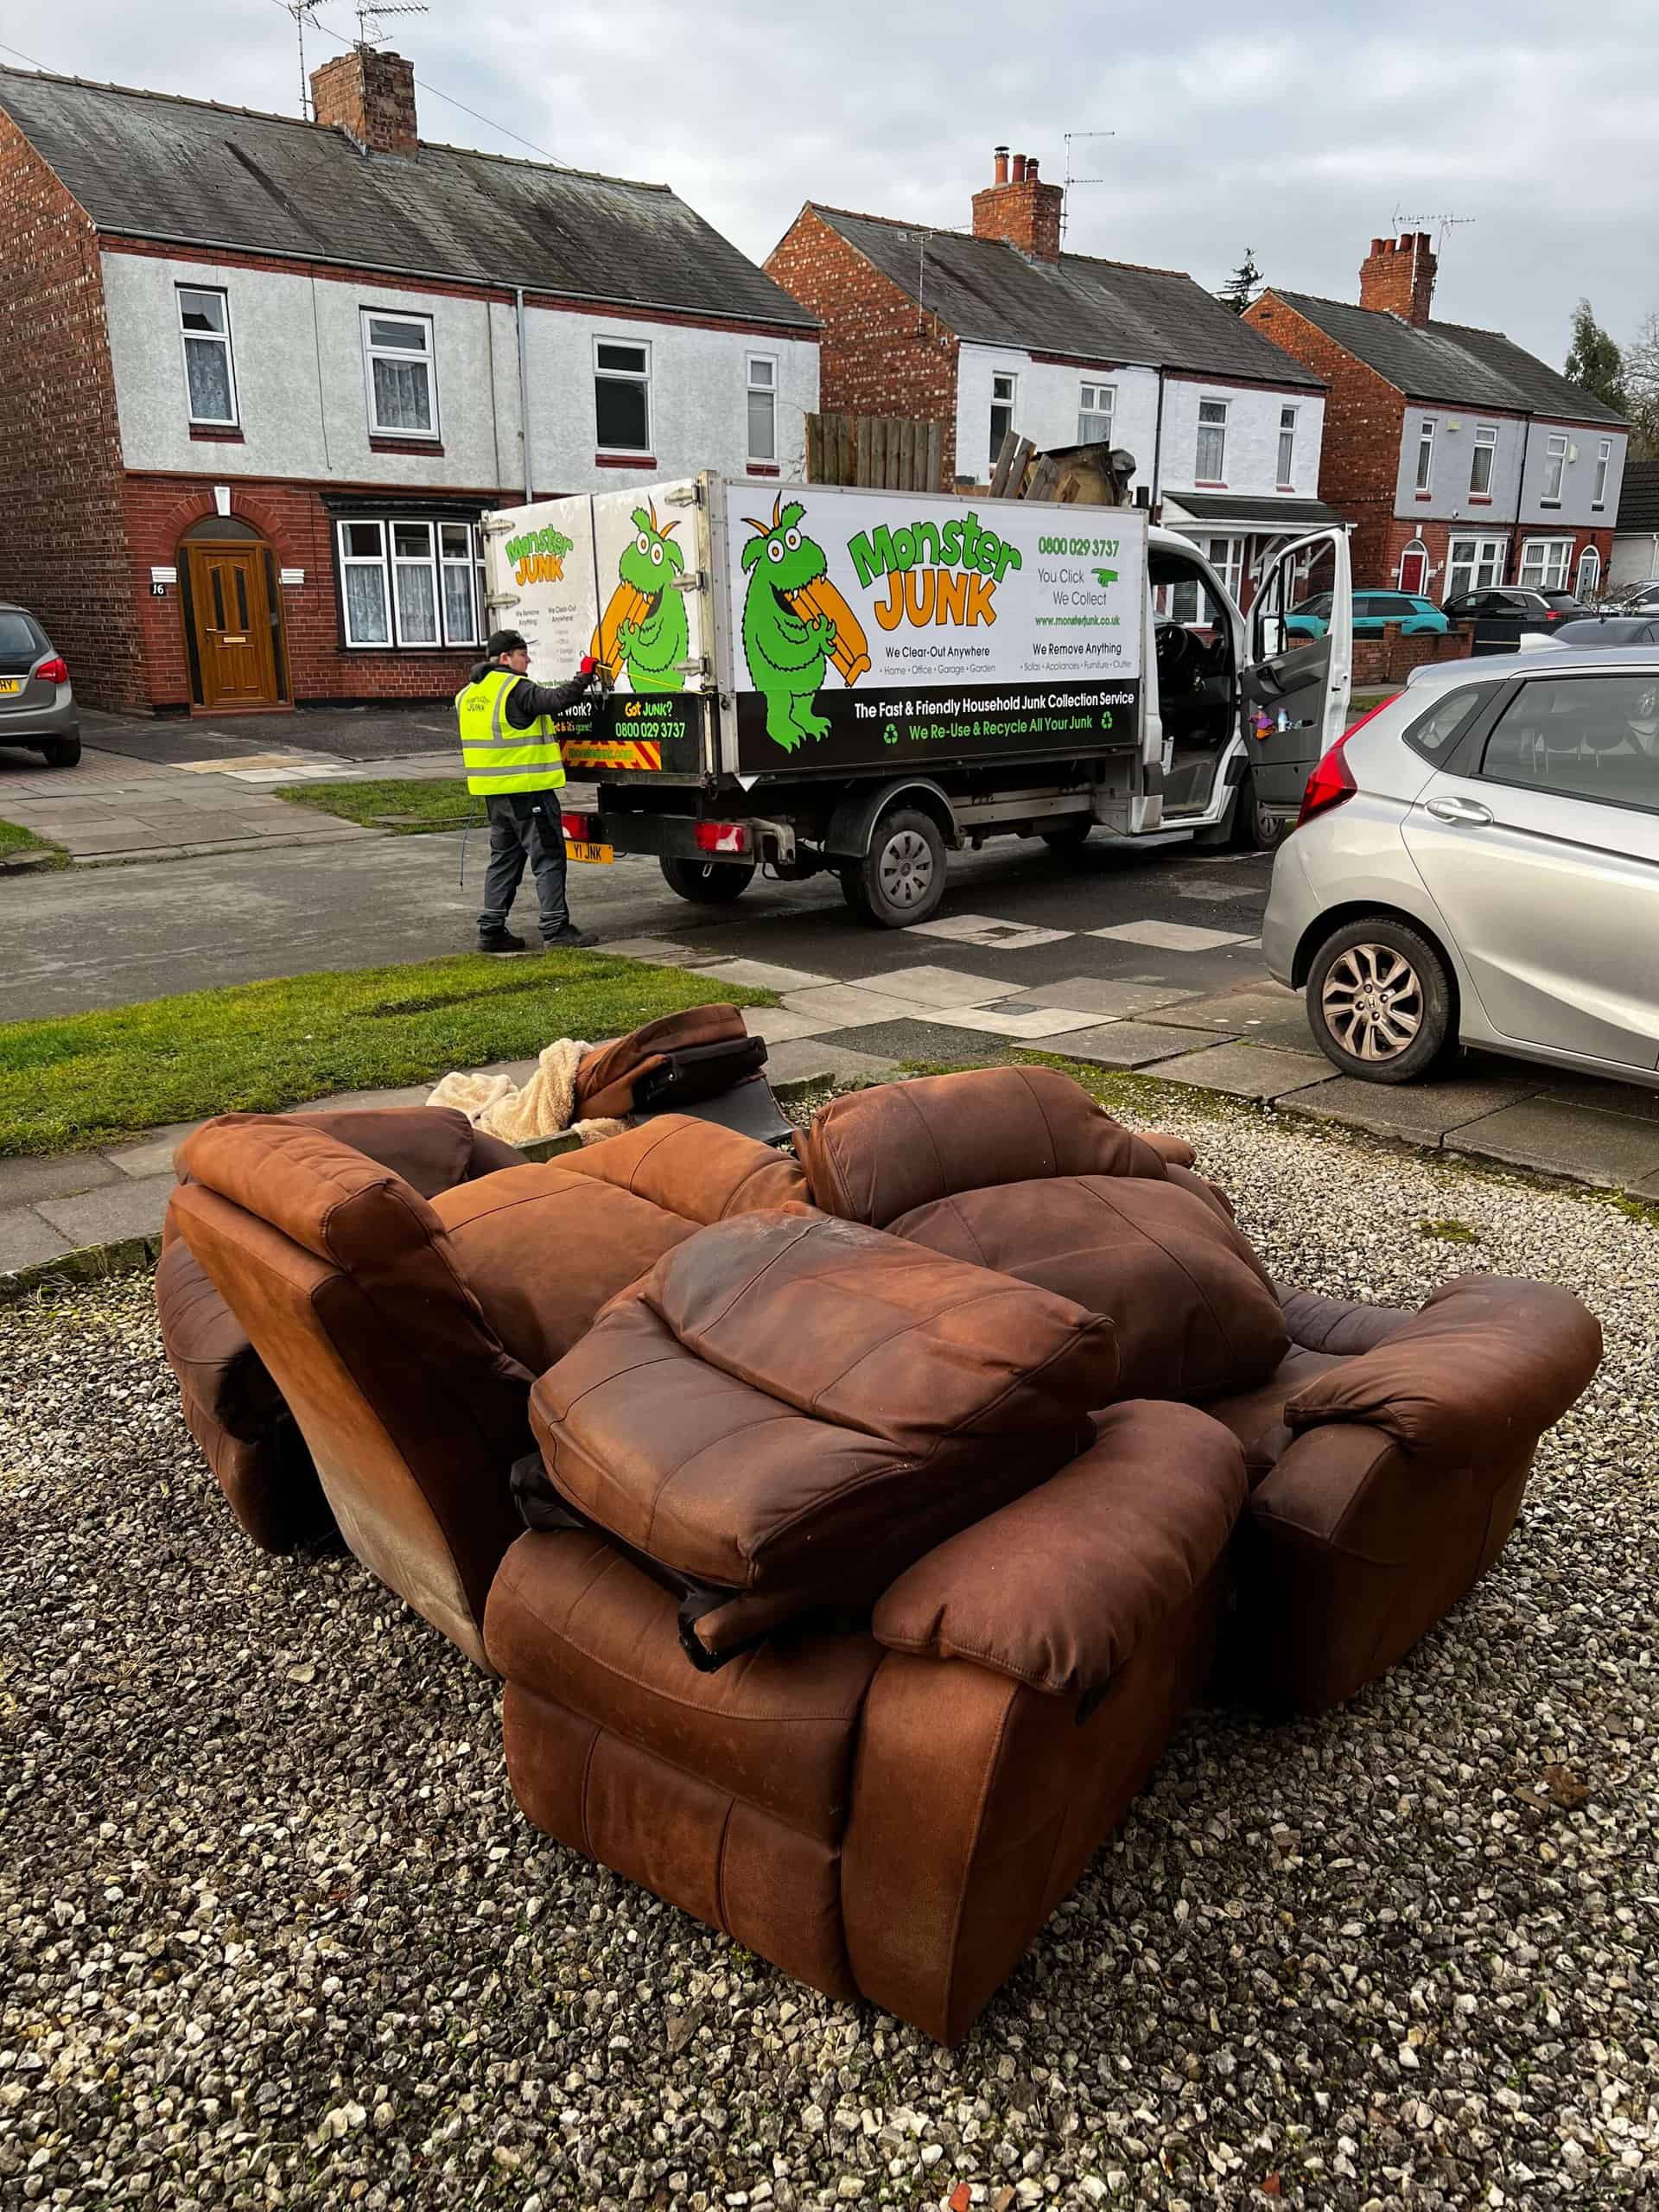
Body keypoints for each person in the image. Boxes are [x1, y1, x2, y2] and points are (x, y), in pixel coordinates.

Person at [457, 629, 599, 952]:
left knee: (504, 860)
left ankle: (491, 930)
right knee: (548, 858)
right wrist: (585, 676)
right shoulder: (516, 688)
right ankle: (555, 929)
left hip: (494, 795)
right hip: (529, 792)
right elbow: (557, 701)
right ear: (505, 659)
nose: (529, 659)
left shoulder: (468, 694)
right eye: (523, 654)